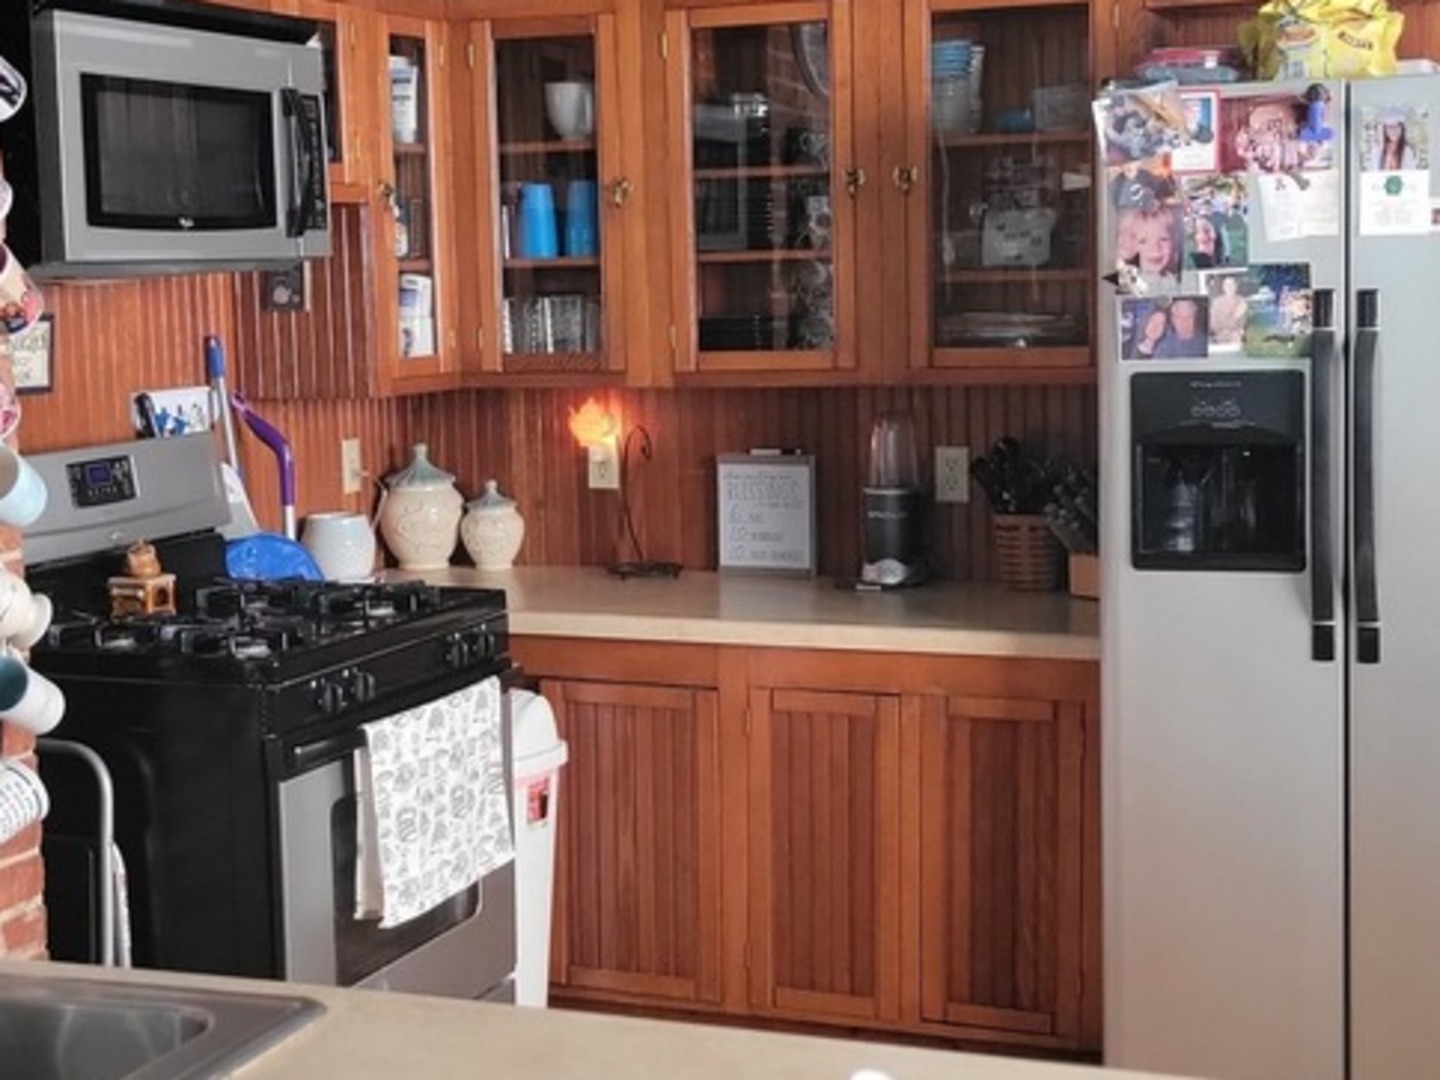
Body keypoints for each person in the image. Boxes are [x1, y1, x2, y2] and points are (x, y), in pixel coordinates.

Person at [1117, 206, 1183, 283]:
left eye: (1163, 239)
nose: (1155, 248)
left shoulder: (1175, 279)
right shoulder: (1128, 281)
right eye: (1143, 241)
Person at [1208, 274, 1248, 349]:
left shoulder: (1241, 301)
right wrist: (1236, 316)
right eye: (1227, 285)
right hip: (1222, 339)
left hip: (1239, 339)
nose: (1230, 287)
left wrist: (1240, 332)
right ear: (1223, 287)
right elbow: (1214, 326)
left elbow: (1244, 324)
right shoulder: (1217, 303)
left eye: (1232, 285)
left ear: (1236, 287)